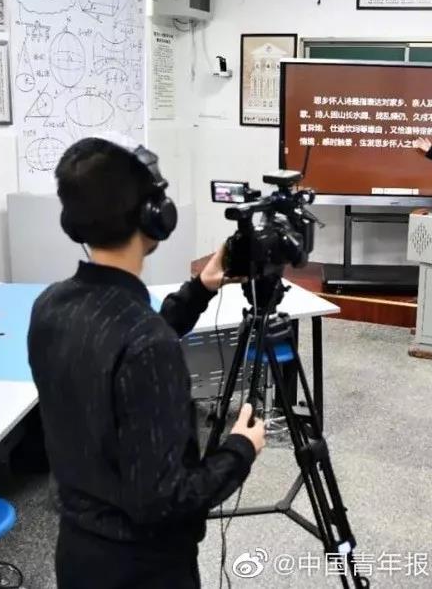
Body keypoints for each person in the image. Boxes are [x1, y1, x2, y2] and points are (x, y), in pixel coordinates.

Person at [27, 136, 265, 589]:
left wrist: (199, 289)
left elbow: (119, 348)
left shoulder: (51, 305)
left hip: (77, 554)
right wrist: (240, 449)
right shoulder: (146, 343)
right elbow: (166, 500)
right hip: (145, 570)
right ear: (155, 217)